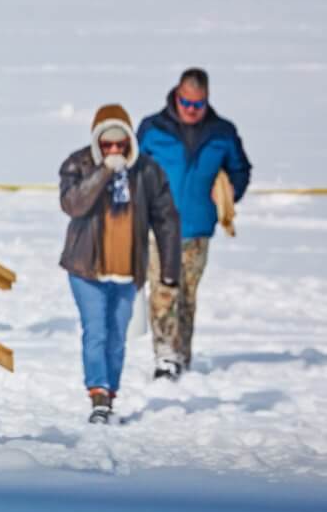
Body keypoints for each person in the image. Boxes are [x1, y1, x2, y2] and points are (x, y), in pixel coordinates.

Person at [58, 105, 181, 424]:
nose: (114, 150)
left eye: (120, 144)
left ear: (130, 142)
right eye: (107, 144)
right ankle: (97, 394)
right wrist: (104, 172)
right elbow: (73, 204)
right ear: (97, 142)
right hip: (86, 269)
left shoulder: (148, 172)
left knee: (117, 335)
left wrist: (169, 269)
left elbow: (166, 220)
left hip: (128, 272)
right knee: (96, 331)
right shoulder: (77, 164)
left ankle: (110, 393)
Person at [135, 67, 252, 380]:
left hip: (197, 229)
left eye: (198, 105)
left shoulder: (223, 133)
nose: (191, 110)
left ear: (207, 101)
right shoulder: (152, 129)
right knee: (162, 291)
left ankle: (182, 355)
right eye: (186, 103)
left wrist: (230, 191)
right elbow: (133, 169)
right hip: (158, 226)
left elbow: (241, 169)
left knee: (186, 295)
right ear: (177, 96)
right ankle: (164, 356)